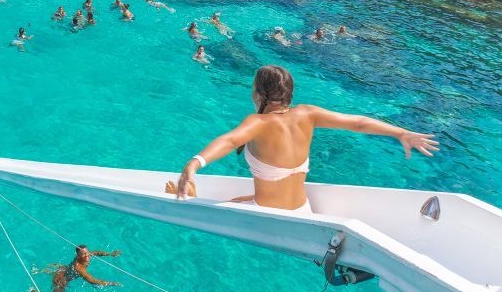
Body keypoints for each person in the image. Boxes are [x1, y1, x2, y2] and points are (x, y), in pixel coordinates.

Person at [165, 65, 438, 210]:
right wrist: (401, 132)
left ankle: (192, 201)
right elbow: (358, 123)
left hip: (268, 217)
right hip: (302, 210)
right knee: (235, 200)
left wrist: (194, 163)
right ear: (289, 94)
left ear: (257, 94)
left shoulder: (258, 122)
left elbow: (229, 141)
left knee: (194, 203)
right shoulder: (308, 113)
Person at [30, 245, 121, 292]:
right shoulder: (79, 268)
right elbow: (93, 280)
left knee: (60, 269)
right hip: (61, 281)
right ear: (78, 255)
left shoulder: (85, 254)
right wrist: (112, 283)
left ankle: (42, 270)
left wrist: (110, 254)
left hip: (63, 269)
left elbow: (96, 252)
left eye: (87, 252)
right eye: (84, 254)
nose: (87, 256)